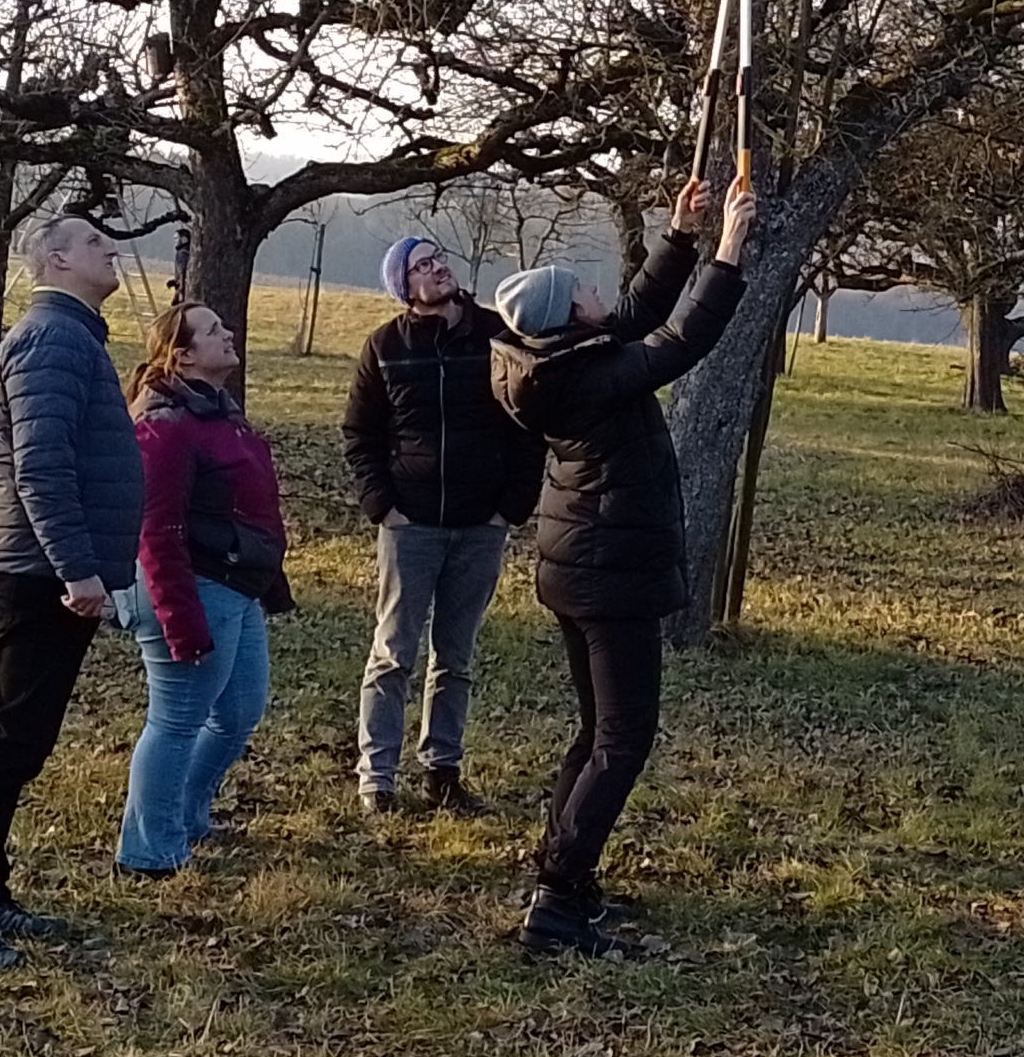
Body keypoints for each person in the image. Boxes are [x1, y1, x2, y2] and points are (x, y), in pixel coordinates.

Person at [489, 177, 753, 959]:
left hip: (581, 565)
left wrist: (680, 234)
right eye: (584, 290)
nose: (599, 293)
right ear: (571, 314)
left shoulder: (554, 358)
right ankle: (556, 901)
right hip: (610, 572)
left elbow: (635, 318)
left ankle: (561, 867)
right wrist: (729, 250)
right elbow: (681, 342)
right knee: (623, 739)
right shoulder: (584, 378)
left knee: (598, 732)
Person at [0, 215, 143, 971]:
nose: (111, 251)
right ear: (56, 260)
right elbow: (40, 469)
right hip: (38, 570)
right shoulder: (51, 340)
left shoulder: (74, 337)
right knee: (10, 741)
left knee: (25, 741)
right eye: (93, 243)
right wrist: (78, 570)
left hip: (52, 568)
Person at [340, 236, 543, 816]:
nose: (438, 269)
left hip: (482, 524)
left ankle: (442, 771)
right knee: (392, 654)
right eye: (422, 266)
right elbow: (360, 433)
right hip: (411, 525)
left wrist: (511, 506)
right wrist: (383, 506)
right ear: (404, 287)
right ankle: (377, 779)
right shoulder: (385, 347)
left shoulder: (498, 335)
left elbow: (528, 423)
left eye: (439, 259)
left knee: (456, 657)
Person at [114, 301, 292, 875]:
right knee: (176, 721)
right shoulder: (164, 426)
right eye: (213, 330)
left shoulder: (219, 411)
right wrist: (179, 619)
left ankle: (185, 815)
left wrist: (268, 577)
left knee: (237, 713)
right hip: (191, 588)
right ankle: (148, 851)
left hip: (236, 587)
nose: (228, 333)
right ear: (182, 356)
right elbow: (156, 530)